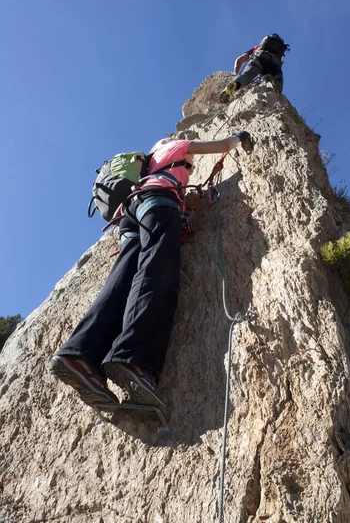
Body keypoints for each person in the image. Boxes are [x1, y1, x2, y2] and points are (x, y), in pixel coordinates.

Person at [49, 132, 251, 418]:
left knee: (120, 283)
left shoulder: (149, 164)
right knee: (157, 272)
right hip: (157, 201)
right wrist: (237, 137)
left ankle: (81, 357)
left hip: (131, 213)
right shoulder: (175, 146)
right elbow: (222, 146)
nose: (190, 161)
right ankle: (132, 359)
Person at [219, 33, 290, 103]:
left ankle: (234, 84)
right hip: (275, 63)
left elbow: (239, 60)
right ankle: (271, 79)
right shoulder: (277, 51)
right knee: (279, 84)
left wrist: (236, 74)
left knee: (246, 77)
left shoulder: (257, 48)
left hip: (259, 57)